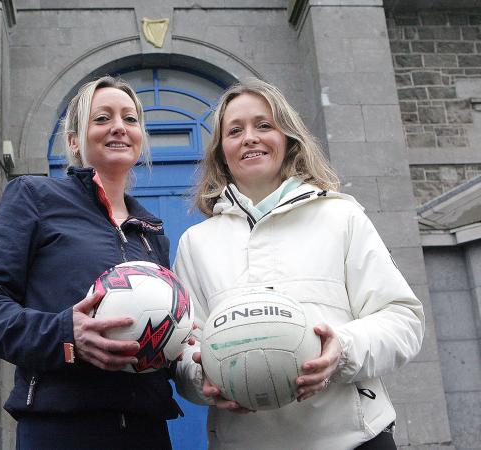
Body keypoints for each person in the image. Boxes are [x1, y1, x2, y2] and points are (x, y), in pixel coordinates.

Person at [173, 78, 424, 450]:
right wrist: (202, 377)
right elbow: (182, 348)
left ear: (288, 137)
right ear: (221, 151)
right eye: (235, 130)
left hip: (356, 440)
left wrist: (342, 349)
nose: (250, 138)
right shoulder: (196, 243)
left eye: (264, 125)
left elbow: (404, 320)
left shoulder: (341, 217)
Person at [0, 76, 181, 449]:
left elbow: (162, 335)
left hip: (147, 430)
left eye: (130, 119)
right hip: (60, 429)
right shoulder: (34, 197)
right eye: (102, 118)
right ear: (75, 141)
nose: (118, 128)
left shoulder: (151, 232)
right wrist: (66, 336)